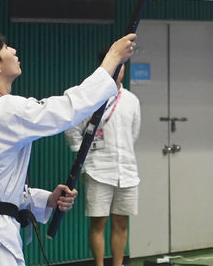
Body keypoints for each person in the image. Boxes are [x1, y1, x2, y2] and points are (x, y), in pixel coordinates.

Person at [0, 27, 136, 266]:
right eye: (6, 47)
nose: (14, 50)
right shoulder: (5, 111)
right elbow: (70, 108)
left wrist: (44, 199)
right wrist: (112, 59)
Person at [65, 50, 141, 266]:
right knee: (99, 223)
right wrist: (83, 154)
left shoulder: (132, 100)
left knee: (121, 222)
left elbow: (133, 133)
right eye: (115, 64)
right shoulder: (92, 98)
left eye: (122, 64)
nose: (119, 69)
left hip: (127, 171)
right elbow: (72, 128)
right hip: (98, 170)